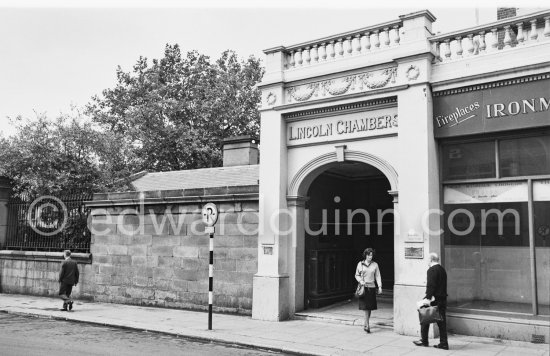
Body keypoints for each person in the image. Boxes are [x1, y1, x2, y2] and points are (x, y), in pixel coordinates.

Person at [413, 252, 449, 350]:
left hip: (434, 299)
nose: (427, 261)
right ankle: (444, 343)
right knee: (442, 323)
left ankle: (424, 340)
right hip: (442, 299)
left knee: (424, 317)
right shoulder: (442, 269)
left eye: (428, 259)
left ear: (431, 260)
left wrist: (427, 299)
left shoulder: (431, 270)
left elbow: (431, 286)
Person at [355, 248, 382, 333]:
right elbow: (356, 275)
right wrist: (360, 281)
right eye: (368, 255)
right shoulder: (360, 264)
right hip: (364, 288)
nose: (370, 257)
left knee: (369, 308)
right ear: (365, 255)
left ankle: (365, 324)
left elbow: (378, 276)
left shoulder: (375, 265)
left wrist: (380, 286)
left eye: (371, 255)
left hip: (372, 288)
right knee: (366, 308)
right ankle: (367, 325)